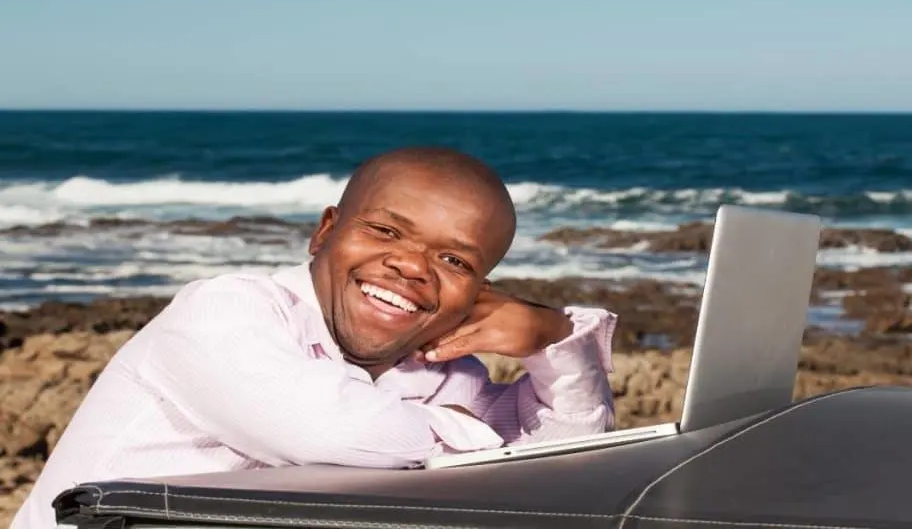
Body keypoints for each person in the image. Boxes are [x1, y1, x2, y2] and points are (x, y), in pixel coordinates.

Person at [13, 146, 617, 528]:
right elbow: (332, 431)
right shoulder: (224, 310)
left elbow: (569, 459)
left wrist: (552, 335)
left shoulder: (445, 374)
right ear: (325, 231)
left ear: (481, 289)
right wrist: (480, 448)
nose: (410, 267)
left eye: (455, 262)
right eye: (384, 230)